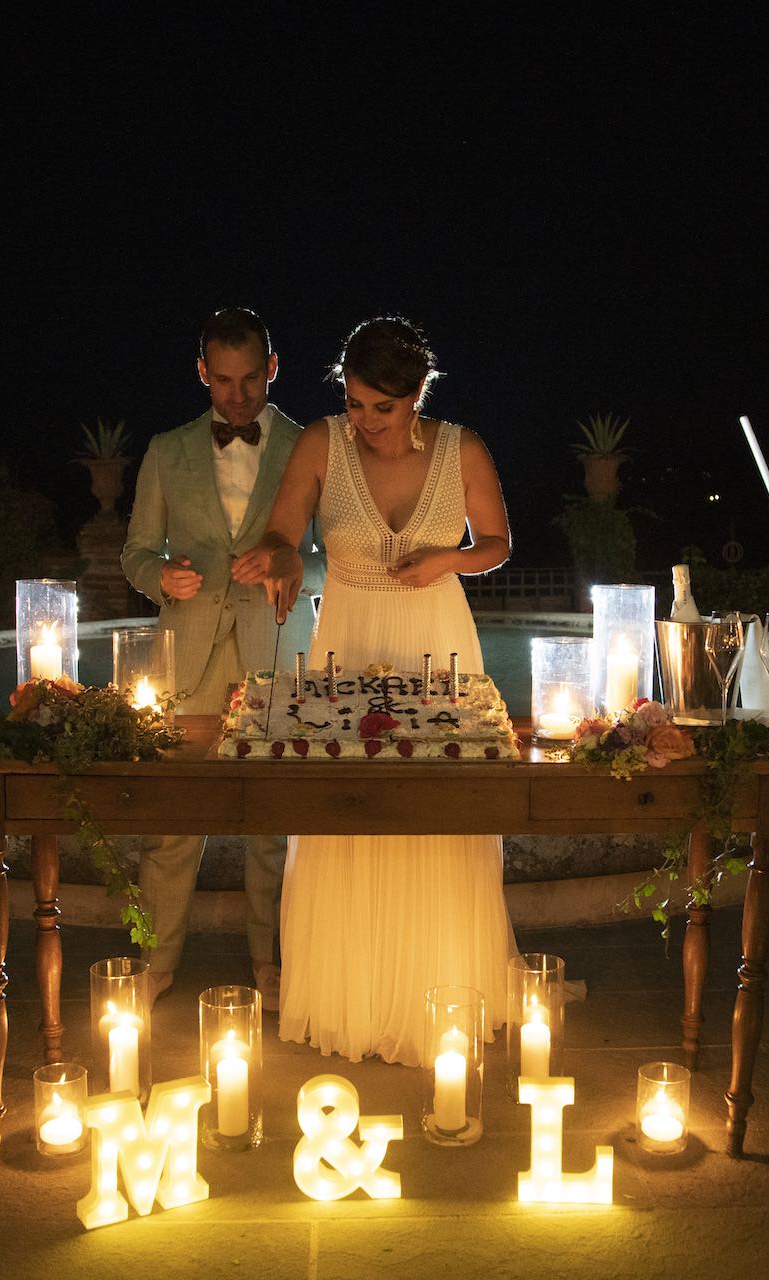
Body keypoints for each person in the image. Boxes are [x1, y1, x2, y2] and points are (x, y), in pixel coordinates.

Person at [250, 316, 516, 1067]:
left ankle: (440, 997)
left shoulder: (463, 448)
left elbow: (497, 546)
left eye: (382, 408)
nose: (365, 422)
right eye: (357, 403)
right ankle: (351, 998)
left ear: (417, 395)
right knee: (347, 807)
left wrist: (447, 562)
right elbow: (282, 531)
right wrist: (272, 562)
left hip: (438, 640)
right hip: (350, 640)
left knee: (441, 805)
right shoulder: (319, 444)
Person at [121, 307, 324, 1007]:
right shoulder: (165, 450)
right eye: (223, 382)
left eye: (249, 380)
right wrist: (160, 578)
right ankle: (155, 963)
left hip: (277, 648)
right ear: (202, 373)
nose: (236, 398)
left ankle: (273, 963)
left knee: (274, 823)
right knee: (172, 820)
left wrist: (288, 560)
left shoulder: (310, 446)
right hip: (186, 658)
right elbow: (134, 552)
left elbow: (334, 563)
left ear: (273, 366)